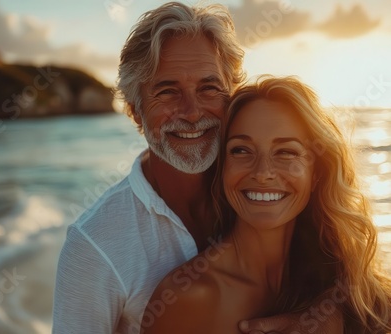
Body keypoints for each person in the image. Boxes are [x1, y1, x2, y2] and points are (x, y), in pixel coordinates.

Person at [52, 2, 343, 333]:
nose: (191, 112)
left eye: (209, 88)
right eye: (167, 91)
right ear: (135, 112)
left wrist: (333, 316)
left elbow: (355, 280)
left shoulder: (264, 188)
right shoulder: (94, 246)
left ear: (231, 95)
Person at [141, 76, 391, 334]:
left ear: (317, 173)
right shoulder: (188, 299)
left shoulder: (340, 276)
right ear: (222, 168)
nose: (262, 173)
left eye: (286, 152)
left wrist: (336, 319)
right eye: (241, 150)